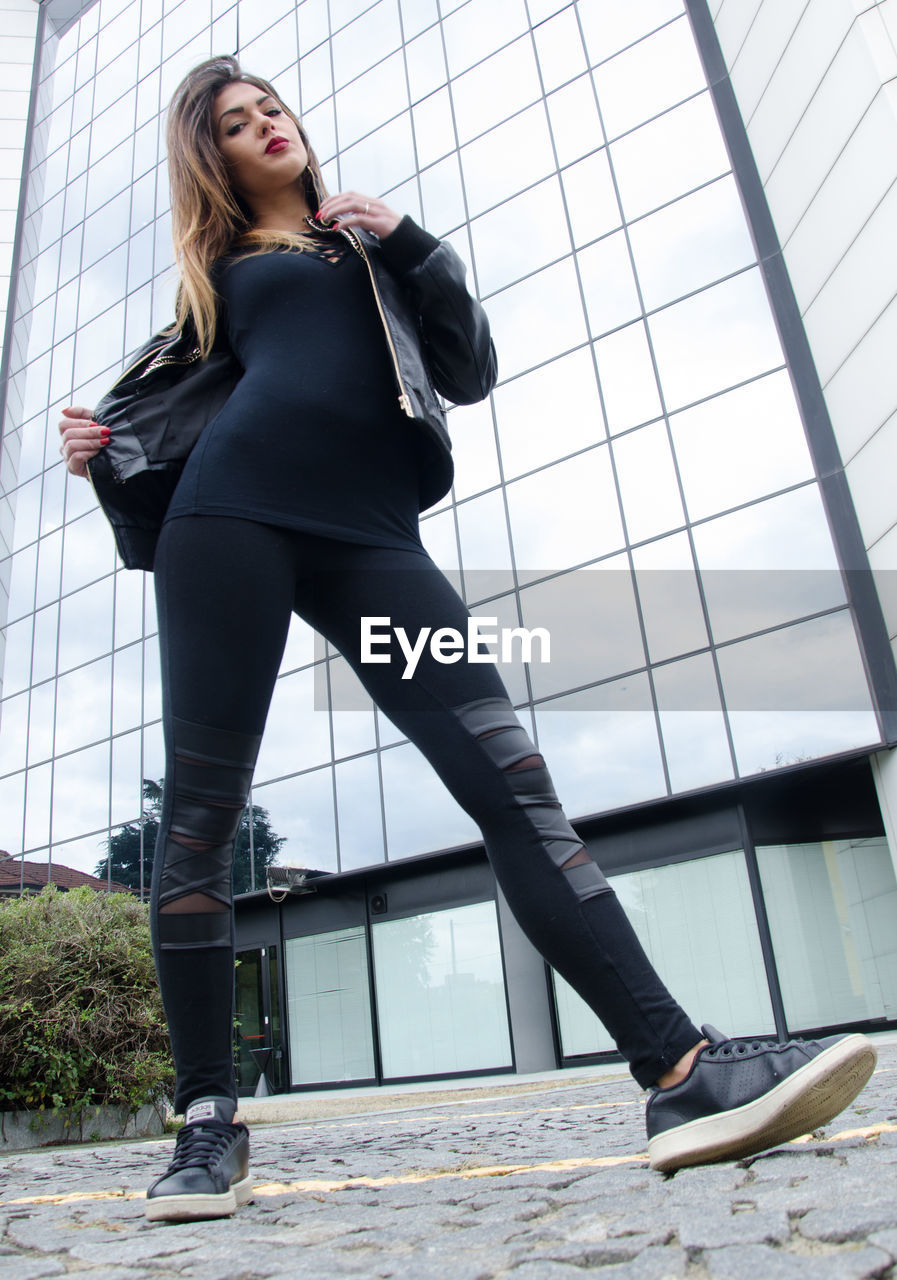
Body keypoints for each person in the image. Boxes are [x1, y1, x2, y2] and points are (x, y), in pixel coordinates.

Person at [59, 56, 876, 1223]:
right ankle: (203, 1125)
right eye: (237, 125)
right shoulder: (221, 279)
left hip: (373, 541)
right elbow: (153, 460)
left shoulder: (370, 243)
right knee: (199, 821)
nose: (266, 128)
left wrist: (412, 240)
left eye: (273, 109)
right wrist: (101, 458)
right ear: (215, 159)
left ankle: (683, 1070)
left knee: (515, 781)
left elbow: (470, 366)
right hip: (227, 526)